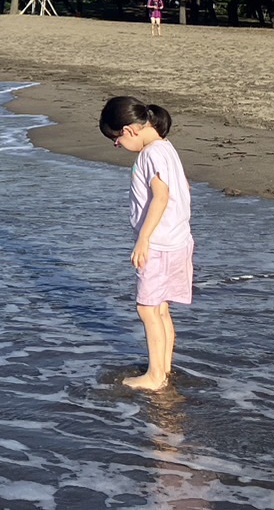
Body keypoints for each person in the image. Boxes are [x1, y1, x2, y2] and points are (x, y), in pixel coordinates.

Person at [99, 96, 193, 391]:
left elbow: (161, 196)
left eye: (116, 139)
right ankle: (162, 368)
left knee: (147, 309)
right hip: (178, 240)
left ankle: (154, 377)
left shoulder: (150, 154)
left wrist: (143, 239)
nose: (118, 146)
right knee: (161, 309)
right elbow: (182, 188)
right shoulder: (166, 147)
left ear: (129, 130)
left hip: (159, 244)